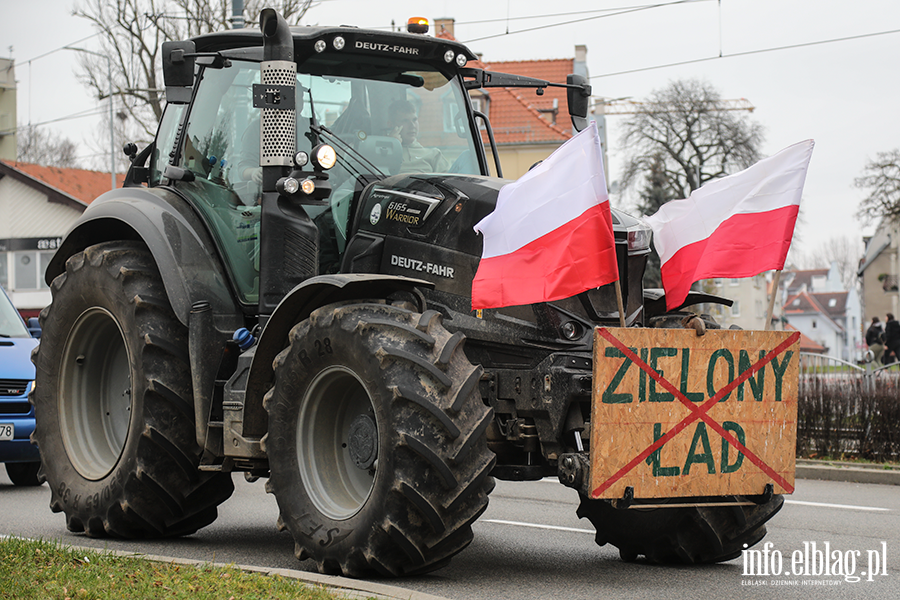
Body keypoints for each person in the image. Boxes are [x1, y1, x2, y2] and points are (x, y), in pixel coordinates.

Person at [386, 99, 450, 174]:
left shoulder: (434, 154)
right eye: (405, 121)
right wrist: (391, 146)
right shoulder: (381, 153)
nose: (412, 126)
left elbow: (448, 182)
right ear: (391, 125)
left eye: (414, 120)